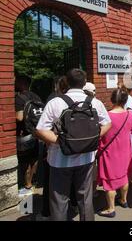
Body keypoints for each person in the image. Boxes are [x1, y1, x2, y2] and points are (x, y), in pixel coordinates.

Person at [36, 69, 112, 221]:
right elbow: (108, 124)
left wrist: (62, 142)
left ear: (67, 82)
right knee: (85, 199)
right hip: (86, 159)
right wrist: (92, 139)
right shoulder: (94, 102)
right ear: (84, 83)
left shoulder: (55, 102)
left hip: (59, 160)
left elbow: (40, 129)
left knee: (59, 201)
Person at [97, 88, 132, 218]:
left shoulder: (106, 116)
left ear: (112, 100)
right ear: (125, 100)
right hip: (125, 152)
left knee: (109, 181)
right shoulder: (130, 115)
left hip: (109, 153)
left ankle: (111, 208)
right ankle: (124, 200)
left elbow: (100, 135)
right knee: (124, 176)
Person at [38, 76, 69, 221]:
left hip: (56, 151)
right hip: (79, 151)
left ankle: (47, 213)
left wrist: (58, 141)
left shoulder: (53, 100)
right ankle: (73, 205)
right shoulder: (84, 101)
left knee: (53, 188)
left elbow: (42, 129)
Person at [15, 75, 42, 197]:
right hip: (35, 131)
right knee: (34, 158)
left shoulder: (19, 98)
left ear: (22, 83)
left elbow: (19, 117)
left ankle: (27, 185)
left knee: (24, 161)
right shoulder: (36, 96)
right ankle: (33, 180)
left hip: (24, 133)